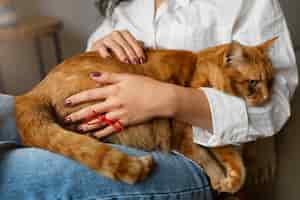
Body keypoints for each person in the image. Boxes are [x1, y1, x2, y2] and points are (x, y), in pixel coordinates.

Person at [0, 0, 297, 199]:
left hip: (193, 156)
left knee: (21, 171)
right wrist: (100, 49)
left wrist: (169, 99)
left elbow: (274, 108)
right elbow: (92, 79)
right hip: (100, 127)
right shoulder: (125, 6)